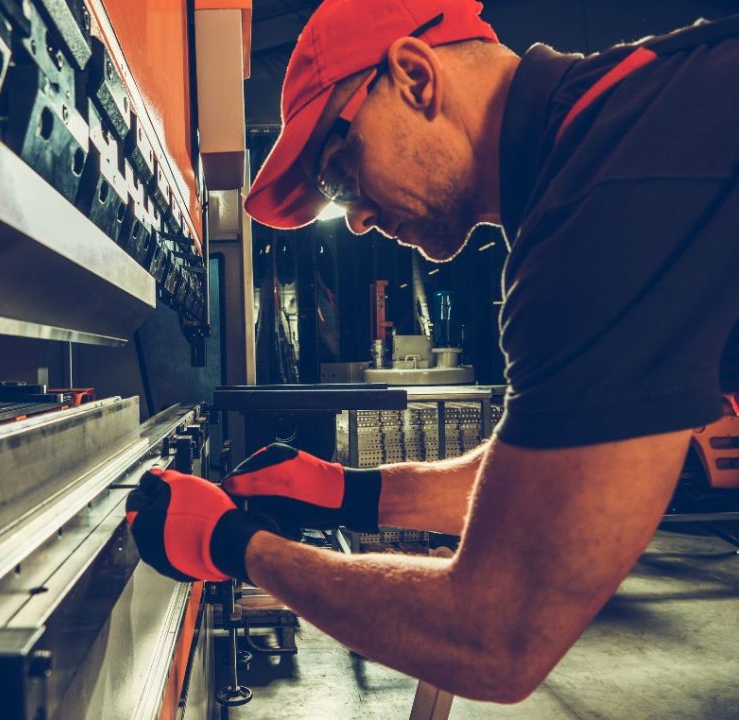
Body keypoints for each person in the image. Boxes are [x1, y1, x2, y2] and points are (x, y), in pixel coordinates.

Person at [125, 0, 739, 703]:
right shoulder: (614, 132)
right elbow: (542, 490)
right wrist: (342, 492)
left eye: (337, 170)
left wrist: (233, 546)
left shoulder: (599, 206)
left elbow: (494, 637)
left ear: (415, 77)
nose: (353, 218)